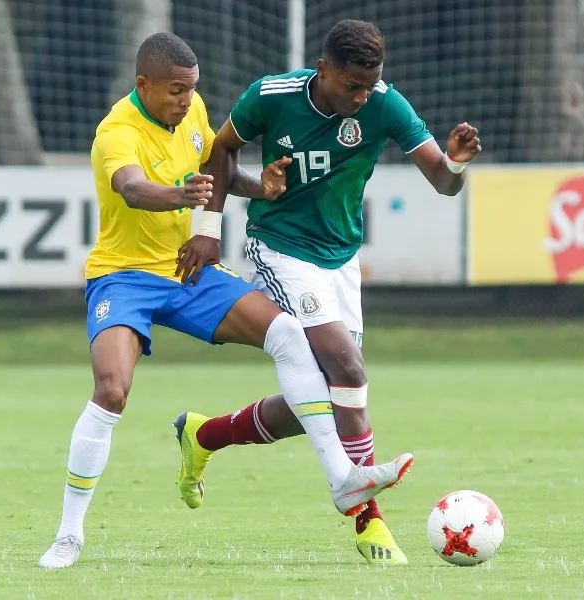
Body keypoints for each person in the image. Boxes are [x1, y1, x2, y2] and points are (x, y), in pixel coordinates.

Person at [38, 31, 413, 570]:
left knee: (288, 335)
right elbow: (134, 188)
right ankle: (69, 535)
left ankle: (342, 480)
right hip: (123, 277)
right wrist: (181, 196)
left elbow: (219, 169)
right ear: (143, 84)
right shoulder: (115, 131)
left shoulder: (193, 114)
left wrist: (259, 187)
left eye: (191, 89)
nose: (186, 101)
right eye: (174, 91)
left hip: (188, 270)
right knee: (113, 390)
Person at [174, 19, 481, 566]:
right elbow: (219, 153)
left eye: (370, 86)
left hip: (340, 260)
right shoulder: (270, 96)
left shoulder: (385, 104)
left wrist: (456, 162)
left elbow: (441, 179)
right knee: (348, 368)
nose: (362, 97)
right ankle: (368, 519)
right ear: (323, 70)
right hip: (280, 246)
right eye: (352, 86)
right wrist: (207, 228)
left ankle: (205, 436)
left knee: (319, 401)